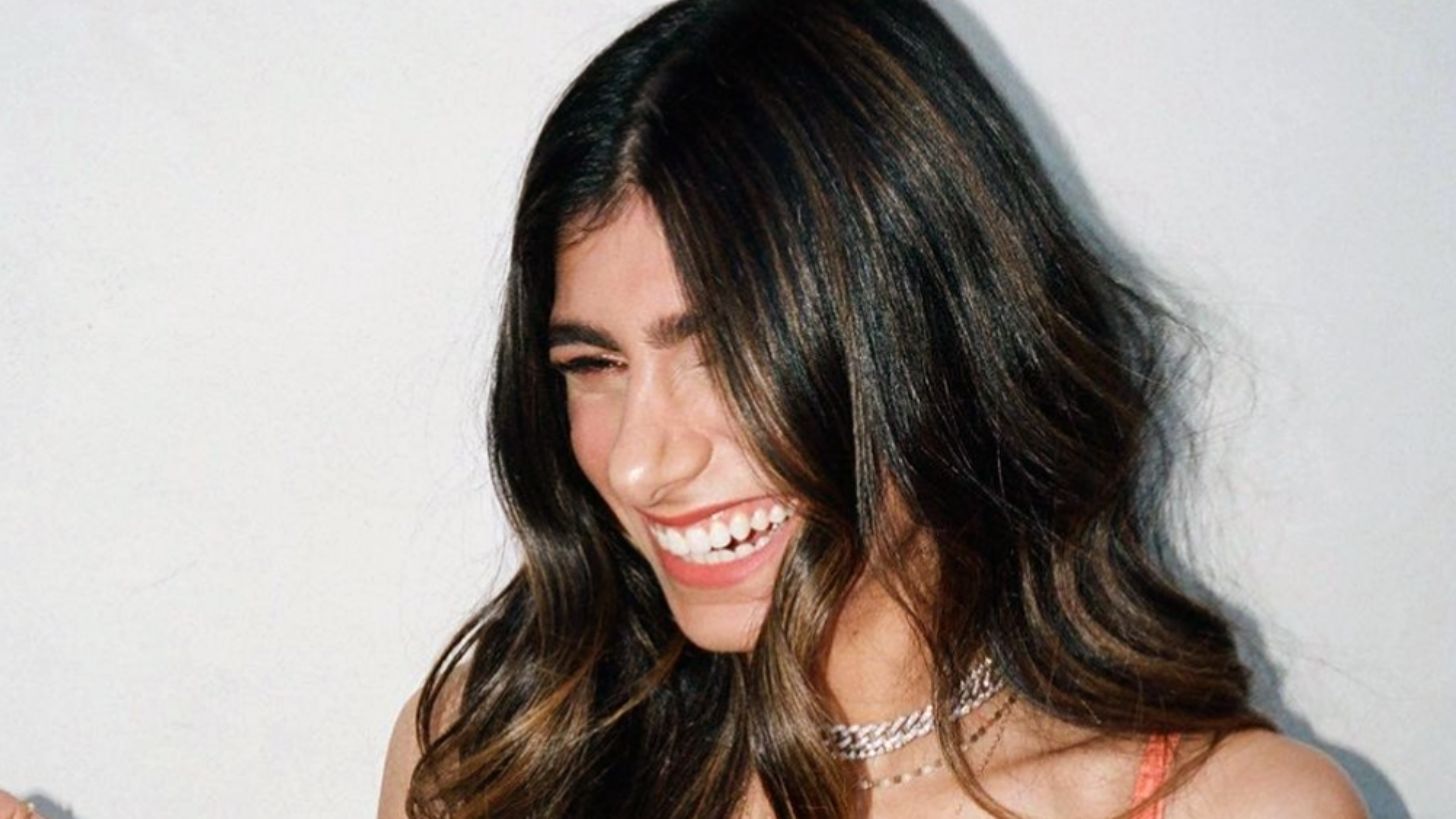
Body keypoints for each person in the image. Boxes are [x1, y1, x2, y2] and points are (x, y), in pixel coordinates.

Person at [378, 0, 1367, 816]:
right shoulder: (493, 757)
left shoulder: (1234, 807)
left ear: (932, 339)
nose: (638, 462)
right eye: (594, 364)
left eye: (723, 352)